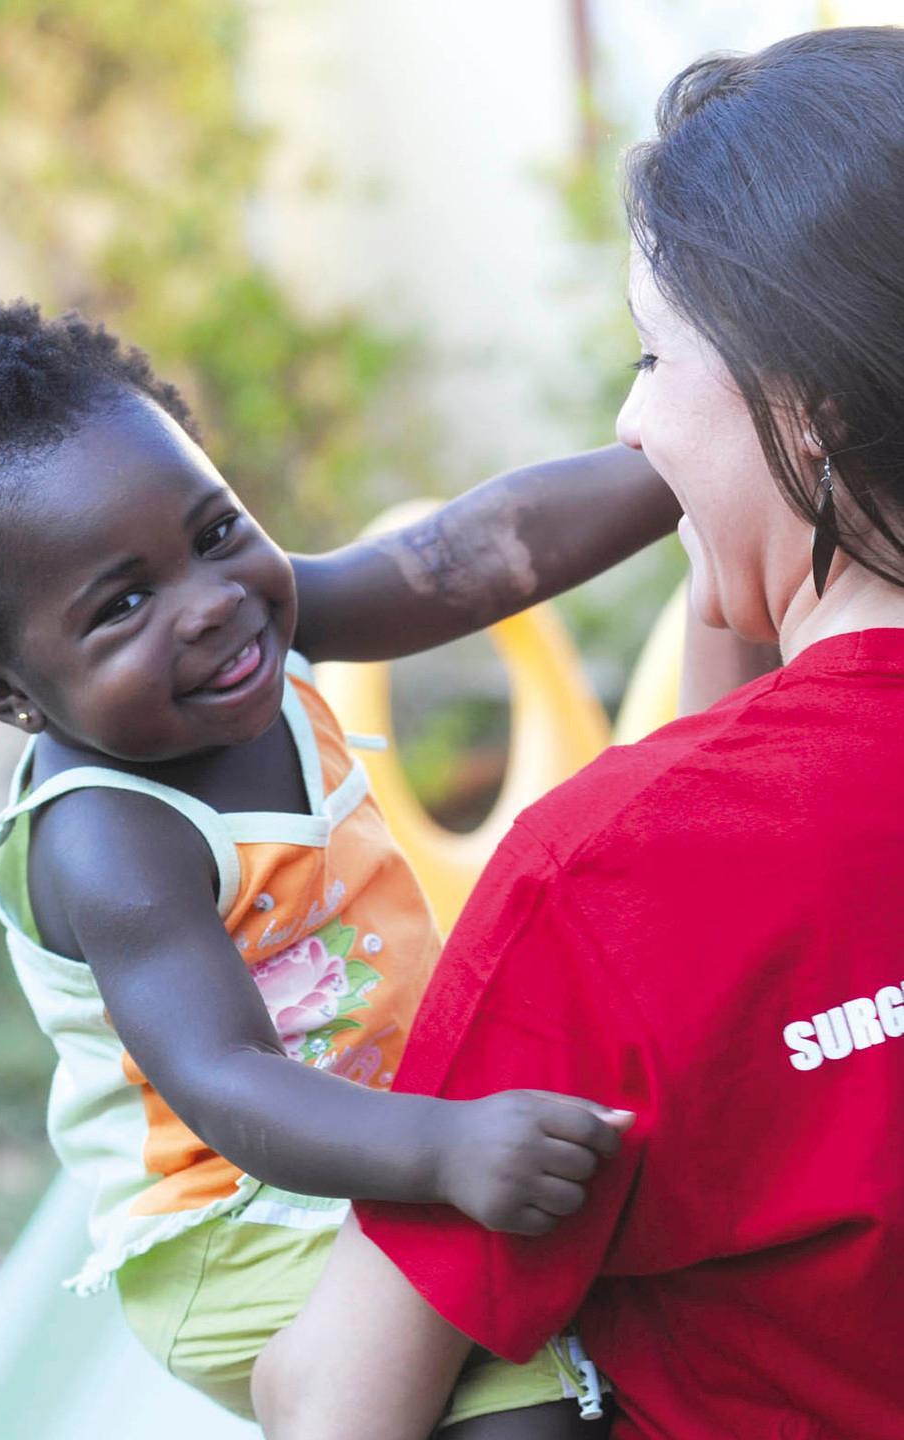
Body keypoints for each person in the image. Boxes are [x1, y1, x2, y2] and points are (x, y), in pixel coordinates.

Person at [252, 26, 904, 1440]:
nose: (627, 416)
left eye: (653, 356)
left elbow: (335, 1403)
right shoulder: (670, 853)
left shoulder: (603, 880)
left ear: (811, 410)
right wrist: (764, 527)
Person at [0, 300, 685, 1432]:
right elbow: (230, 1080)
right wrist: (443, 1150)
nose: (211, 601)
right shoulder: (110, 836)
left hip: (384, 1132)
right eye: (125, 603)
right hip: (240, 1225)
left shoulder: (254, 627)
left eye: (216, 529)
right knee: (531, 1410)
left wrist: (699, 464)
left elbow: (470, 555)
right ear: (10, 691)